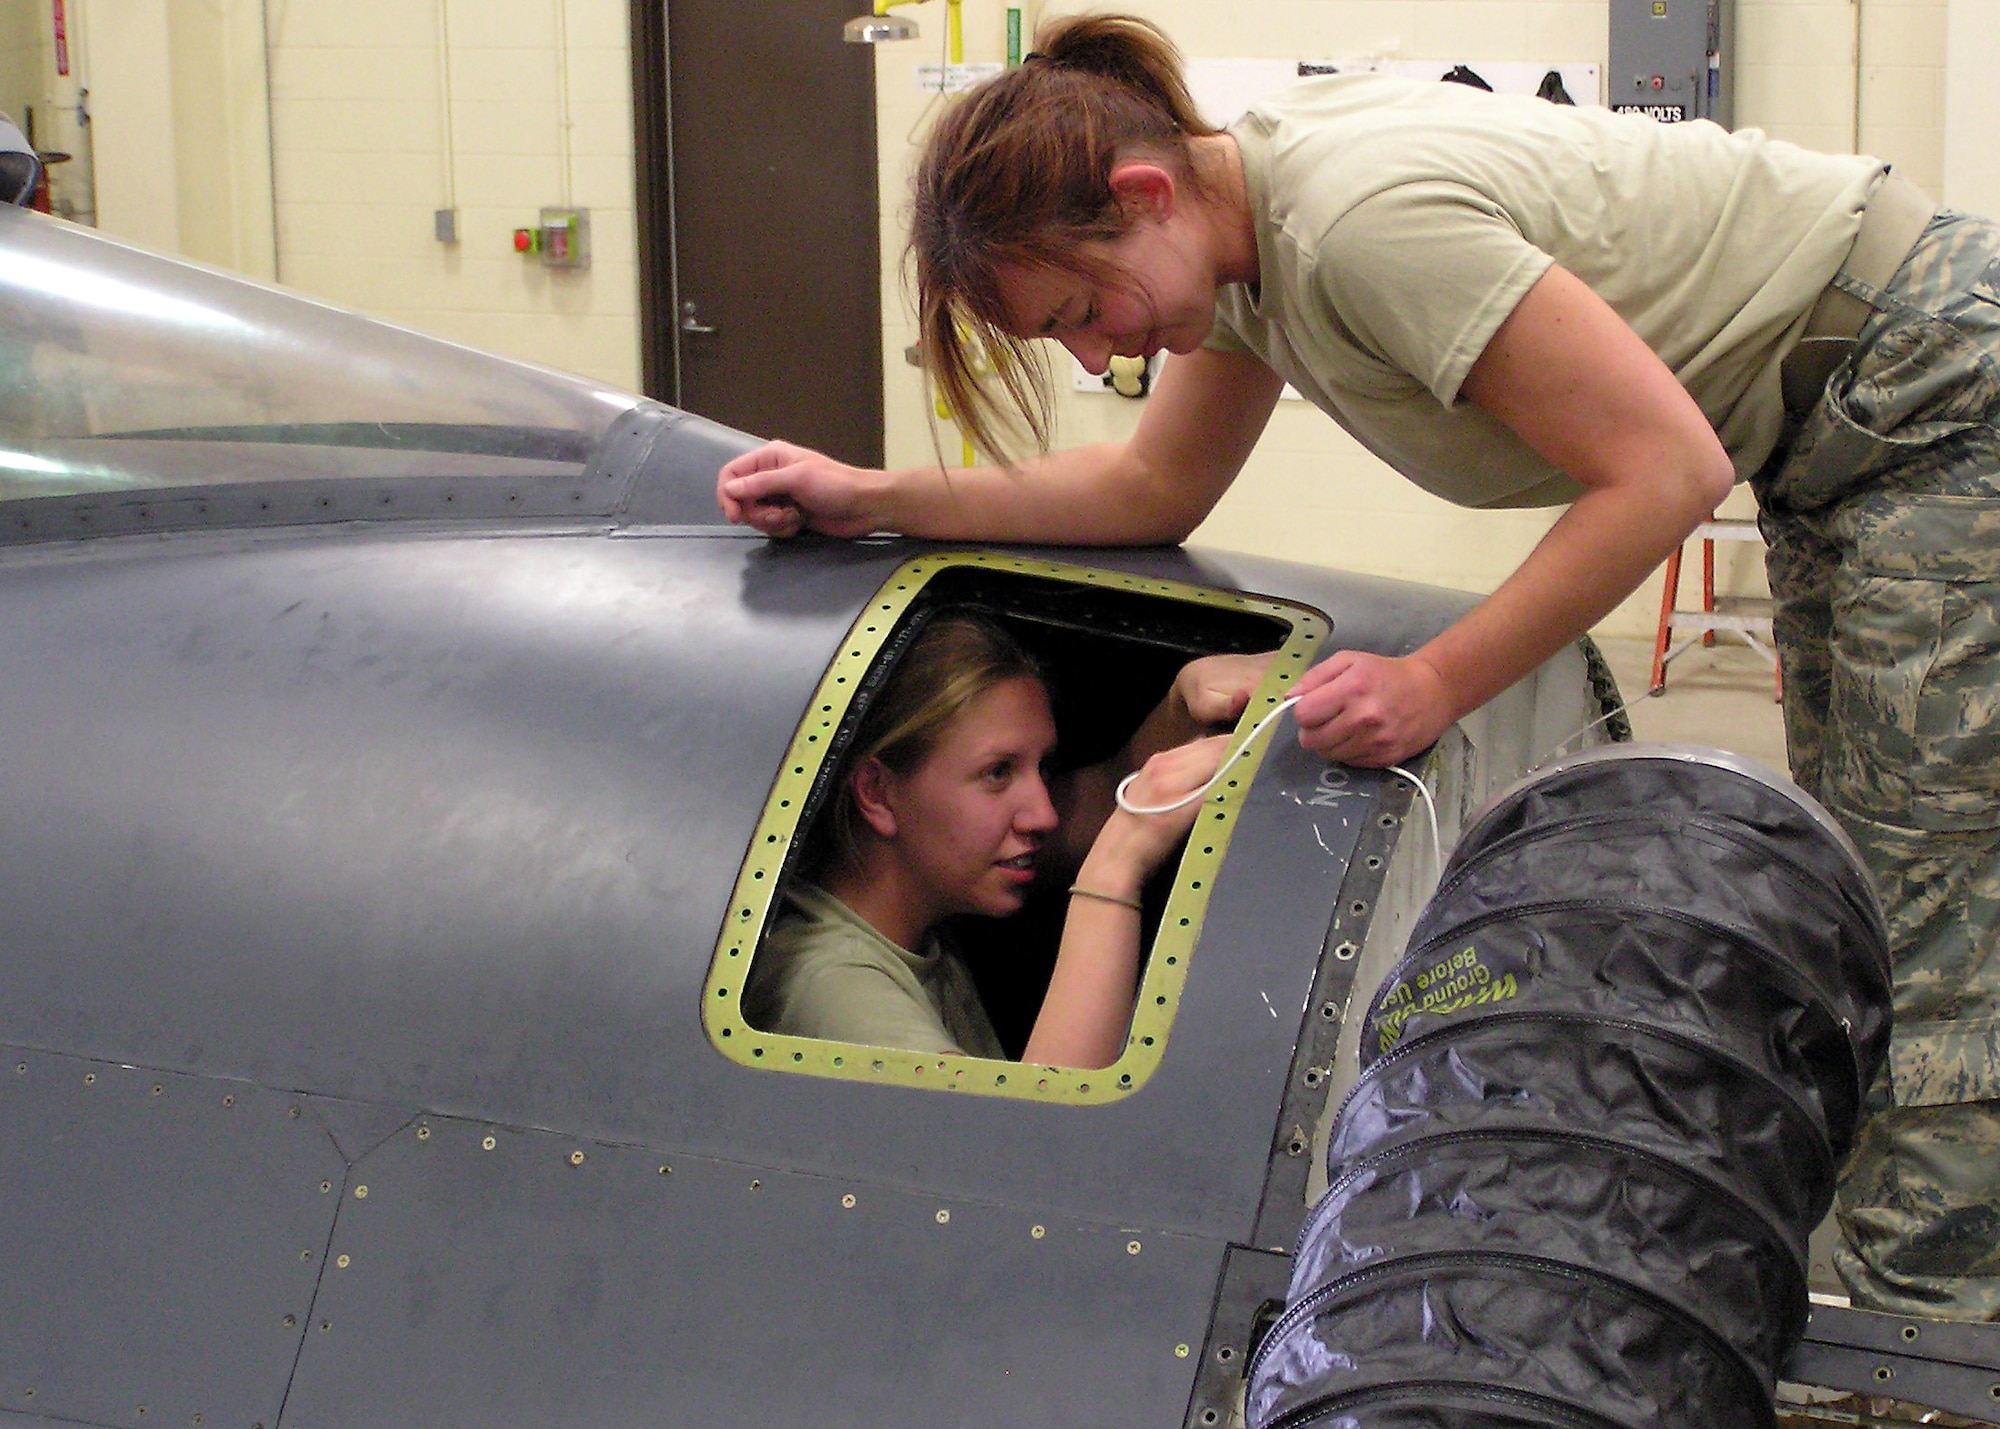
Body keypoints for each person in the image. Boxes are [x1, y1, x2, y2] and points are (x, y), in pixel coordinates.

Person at [717, 16, 2000, 1320]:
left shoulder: (1351, 227)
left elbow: (1663, 471)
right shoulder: (1242, 251)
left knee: (1937, 914)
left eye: (1081, 313)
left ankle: (1932, 1352)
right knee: (1870, 882)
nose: (1101, 355)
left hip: (1927, 384)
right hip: (1833, 422)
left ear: (1142, 197)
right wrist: (869, 493)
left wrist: (1437, 681)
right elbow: (1148, 485)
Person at [744, 613, 1269, 1069]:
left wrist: (1184, 698)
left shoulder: (907, 908)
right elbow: (1030, 1141)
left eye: (1041, 768)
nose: (1042, 813)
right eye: (998, 772)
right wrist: (1114, 872)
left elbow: (1115, 790)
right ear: (878, 793)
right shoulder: (832, 988)